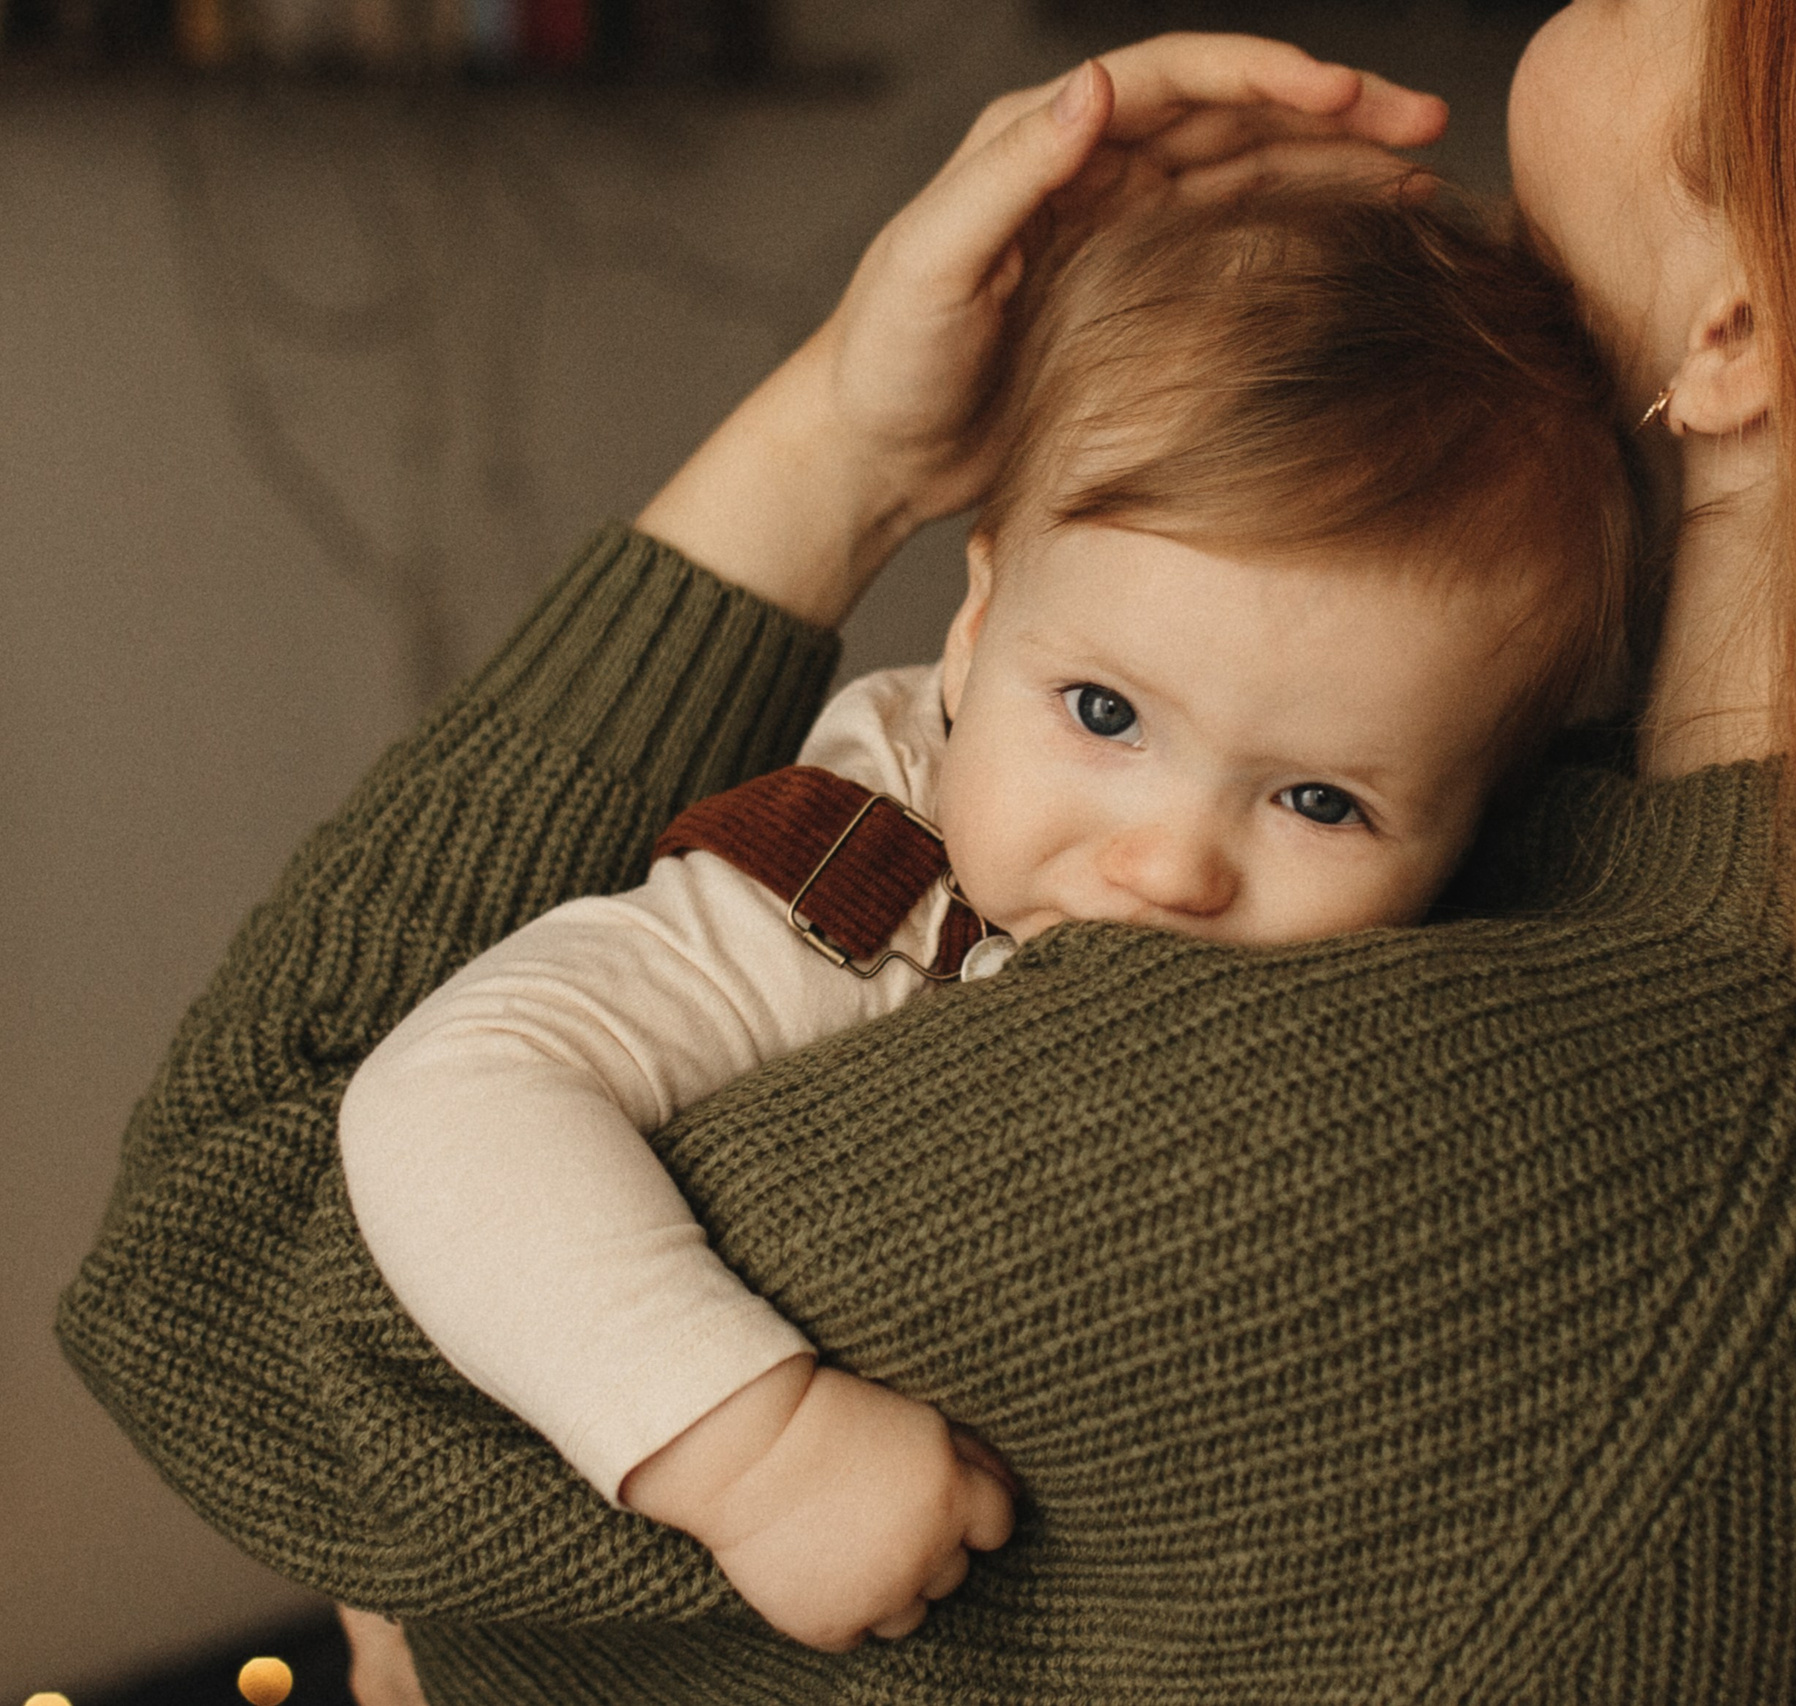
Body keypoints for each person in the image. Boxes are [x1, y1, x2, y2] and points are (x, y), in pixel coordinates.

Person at [55, 4, 1796, 1703]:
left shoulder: (1365, 1131)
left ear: (1736, 336)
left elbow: (209, 1267)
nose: (1177, 841)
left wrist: (827, 440)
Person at [333, 186, 1634, 1654]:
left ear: (1477, 822)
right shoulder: (854, 889)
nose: (1167, 864)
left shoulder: (1456, 1000)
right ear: (972, 624)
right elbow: (449, 1096)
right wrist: (753, 1448)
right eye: (1104, 712)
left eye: (1320, 802)